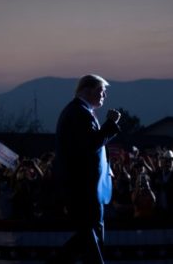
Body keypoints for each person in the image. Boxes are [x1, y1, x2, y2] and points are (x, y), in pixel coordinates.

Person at [49, 74, 121, 264]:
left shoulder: (79, 111)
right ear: (86, 90)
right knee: (91, 237)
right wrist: (111, 124)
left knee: (90, 238)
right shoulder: (79, 113)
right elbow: (90, 144)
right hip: (85, 189)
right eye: (100, 90)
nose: (104, 95)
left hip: (87, 189)